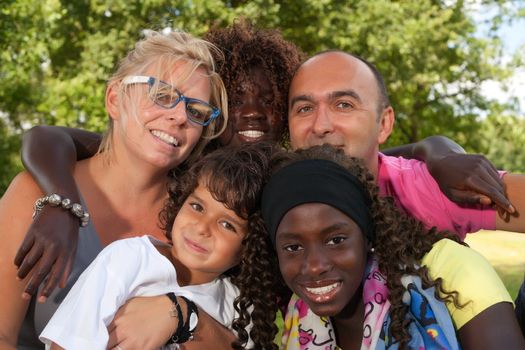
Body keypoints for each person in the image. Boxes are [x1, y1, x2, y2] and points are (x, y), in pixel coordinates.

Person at [0, 29, 228, 350]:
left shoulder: (193, 222)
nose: (179, 116)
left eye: (197, 111)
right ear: (115, 99)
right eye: (162, 95)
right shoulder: (34, 194)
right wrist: (63, 204)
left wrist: (182, 316)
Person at [260, 144, 525, 349]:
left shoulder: (453, 269)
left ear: (367, 234)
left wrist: (432, 148)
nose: (315, 265)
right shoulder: (299, 313)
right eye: (293, 247)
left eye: (336, 240)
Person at [40, 143, 277, 350]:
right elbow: (68, 343)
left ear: (249, 248)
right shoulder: (130, 259)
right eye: (197, 207)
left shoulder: (238, 305)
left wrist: (184, 317)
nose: (203, 227)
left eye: (227, 224)